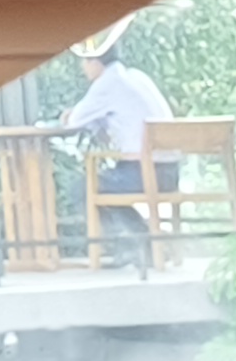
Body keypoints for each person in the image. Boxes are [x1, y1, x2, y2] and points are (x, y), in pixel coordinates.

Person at [61, 31, 179, 270]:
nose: (83, 68)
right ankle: (145, 244)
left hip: (142, 172)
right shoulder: (137, 77)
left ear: (95, 61)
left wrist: (68, 115)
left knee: (83, 187)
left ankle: (131, 247)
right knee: (105, 184)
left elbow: (74, 121)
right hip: (170, 173)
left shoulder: (108, 83)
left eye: (85, 61)